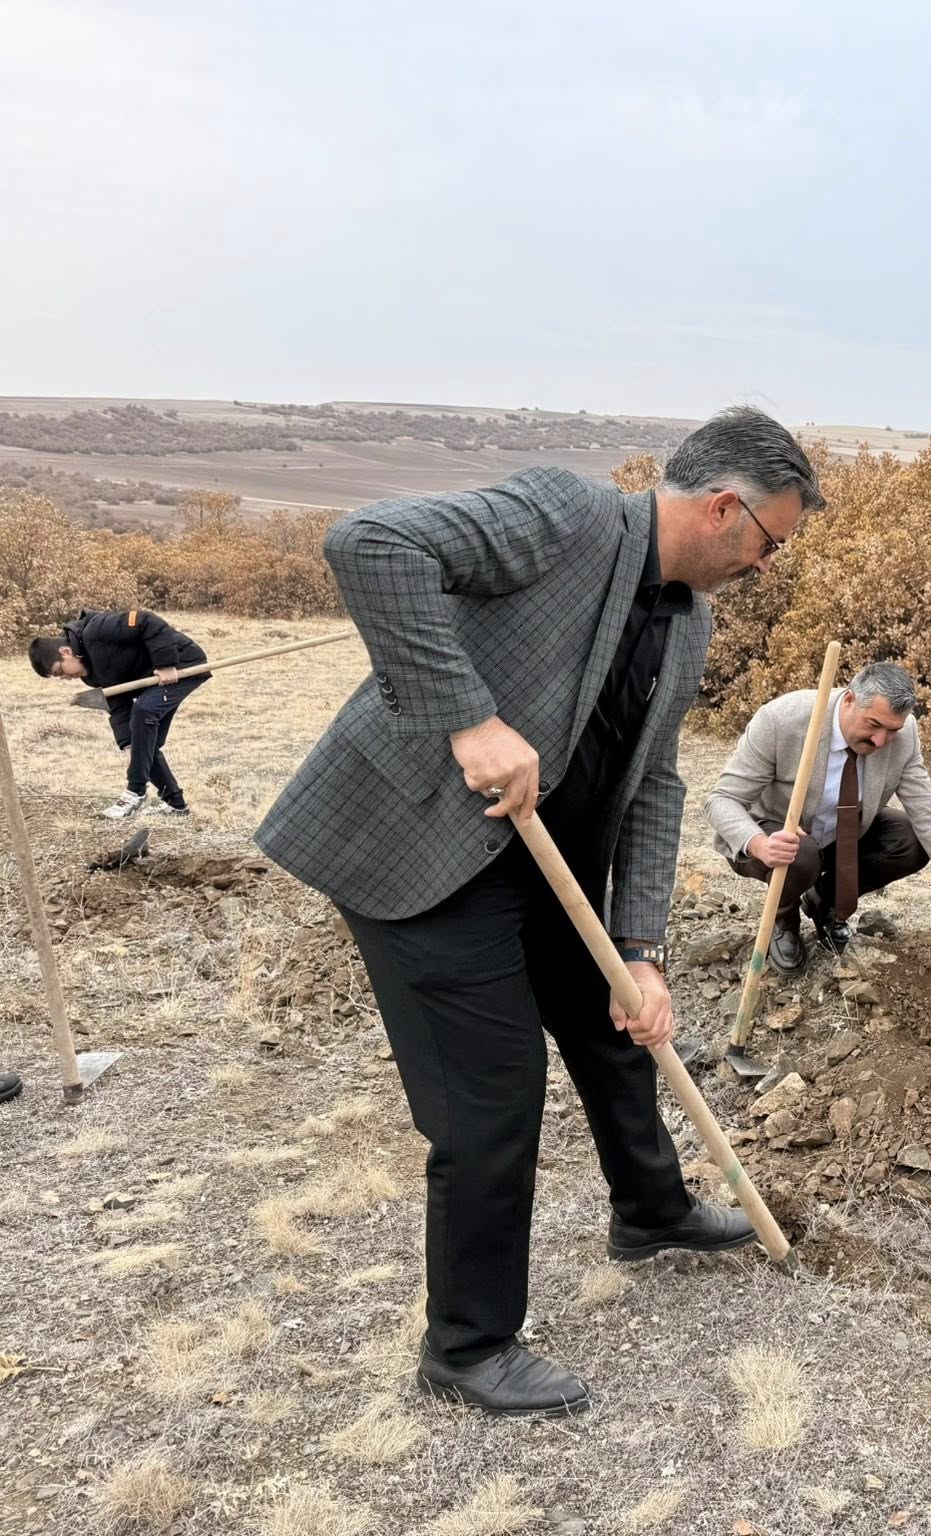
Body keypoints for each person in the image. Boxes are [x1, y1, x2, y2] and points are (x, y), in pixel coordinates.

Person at [256, 407, 824, 1416]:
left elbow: (653, 786)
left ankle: (650, 1213)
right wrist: (469, 719)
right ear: (723, 505)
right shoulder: (565, 516)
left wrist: (640, 949)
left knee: (615, 1029)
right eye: (767, 541)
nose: (764, 564)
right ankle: (467, 1347)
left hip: (547, 861)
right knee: (491, 1097)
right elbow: (370, 543)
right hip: (426, 852)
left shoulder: (687, 620)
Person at [707, 661, 931, 971]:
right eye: (873, 725)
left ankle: (824, 902)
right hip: (770, 838)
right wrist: (757, 843)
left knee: (910, 839)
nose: (881, 741)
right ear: (848, 700)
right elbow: (721, 799)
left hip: (841, 836)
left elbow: (928, 811)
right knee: (800, 854)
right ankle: (783, 921)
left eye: (892, 730)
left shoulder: (904, 735)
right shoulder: (782, 721)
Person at [28, 609, 209, 819]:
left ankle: (135, 792)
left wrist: (166, 663)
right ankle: (176, 806)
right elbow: (118, 706)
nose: (65, 678)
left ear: (65, 651)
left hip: (183, 663)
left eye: (60, 672)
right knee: (143, 743)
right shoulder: (91, 674)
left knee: (144, 711)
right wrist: (128, 745)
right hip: (153, 675)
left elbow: (145, 620)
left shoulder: (96, 631)